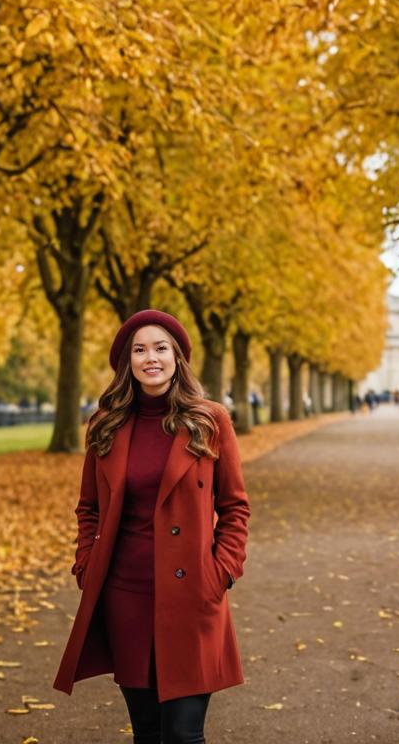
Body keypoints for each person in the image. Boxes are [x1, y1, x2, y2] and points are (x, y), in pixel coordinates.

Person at [54, 309, 250, 744]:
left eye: (161, 348)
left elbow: (235, 508)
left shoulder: (209, 420)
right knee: (146, 732)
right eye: (139, 350)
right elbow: (88, 508)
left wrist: (223, 571)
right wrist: (87, 565)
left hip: (194, 594)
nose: (151, 358)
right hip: (126, 596)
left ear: (178, 357)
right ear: (128, 363)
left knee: (184, 734)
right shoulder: (106, 423)